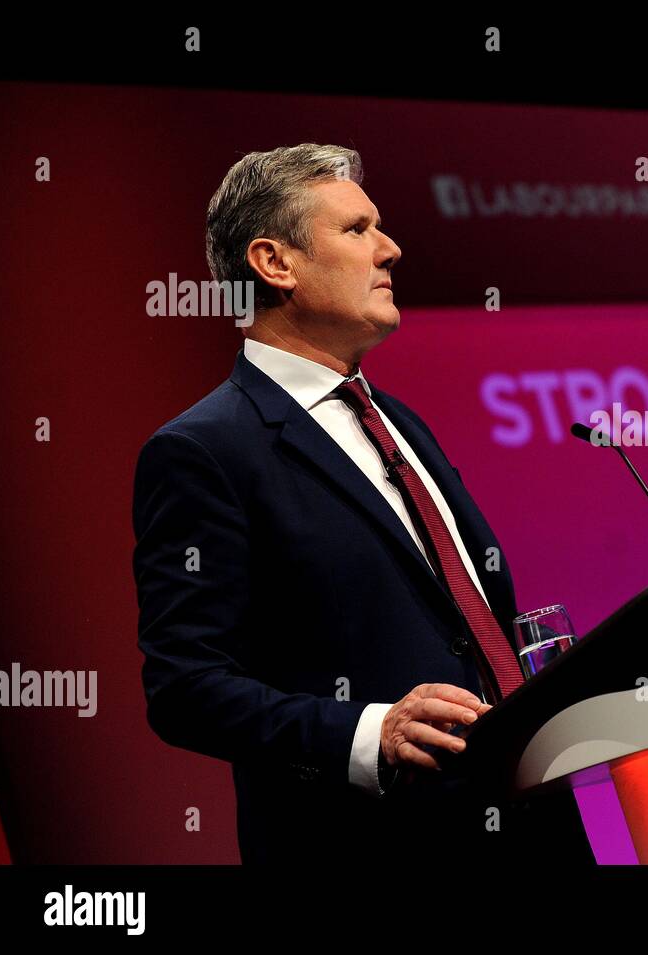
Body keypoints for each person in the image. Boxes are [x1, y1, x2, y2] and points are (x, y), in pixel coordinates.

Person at [132, 144, 591, 864]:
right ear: (274, 263)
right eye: (357, 229)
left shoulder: (400, 421)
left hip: (530, 820)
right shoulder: (204, 450)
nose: (391, 248)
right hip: (377, 841)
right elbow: (185, 688)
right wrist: (370, 733)